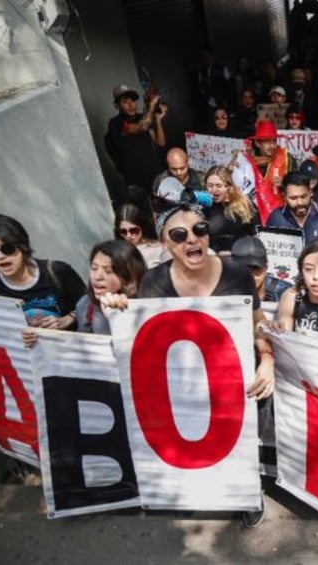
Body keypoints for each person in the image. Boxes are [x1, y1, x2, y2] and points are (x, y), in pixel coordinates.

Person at [102, 203, 275, 528]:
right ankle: (188, 492)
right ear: (165, 243)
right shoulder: (152, 282)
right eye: (179, 234)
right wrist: (120, 307)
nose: (191, 240)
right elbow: (143, 335)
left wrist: (267, 359)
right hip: (185, 384)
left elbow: (258, 323)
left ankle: (248, 493)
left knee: (243, 440)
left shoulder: (237, 273)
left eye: (199, 230)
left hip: (235, 382)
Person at [0, 214, 86, 346]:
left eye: (8, 248)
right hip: (23, 360)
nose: (0, 256)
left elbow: (90, 305)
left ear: (23, 246)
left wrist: (67, 320)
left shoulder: (58, 271)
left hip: (67, 352)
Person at [266, 171, 318, 278]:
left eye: (303, 196)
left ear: (310, 192)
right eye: (293, 198)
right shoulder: (276, 218)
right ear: (284, 196)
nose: (300, 202)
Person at [104, 84, 167, 209]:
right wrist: (151, 106)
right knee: (144, 215)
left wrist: (158, 120)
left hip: (156, 175)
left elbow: (161, 142)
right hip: (136, 182)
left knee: (165, 211)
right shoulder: (115, 123)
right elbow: (142, 126)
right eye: (125, 102)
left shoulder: (142, 117)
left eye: (133, 101)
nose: (131, 105)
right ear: (117, 105)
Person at [76, 240, 146, 334]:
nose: (97, 277)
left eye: (108, 271)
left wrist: (118, 317)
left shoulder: (145, 308)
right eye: (94, 268)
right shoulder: (84, 305)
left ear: (129, 276)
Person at [203, 165, 259, 254]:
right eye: (210, 185)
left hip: (239, 256)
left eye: (219, 186)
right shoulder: (203, 207)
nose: (214, 190)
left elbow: (256, 234)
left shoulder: (246, 206)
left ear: (229, 187)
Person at [231, 236, 292, 303]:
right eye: (243, 268)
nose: (249, 275)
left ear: (265, 267)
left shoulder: (284, 293)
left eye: (255, 268)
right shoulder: (222, 291)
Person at [114, 204, 168, 268]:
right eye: (123, 231)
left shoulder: (159, 248)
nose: (128, 235)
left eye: (133, 230)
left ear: (142, 227)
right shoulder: (118, 253)